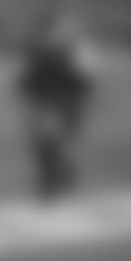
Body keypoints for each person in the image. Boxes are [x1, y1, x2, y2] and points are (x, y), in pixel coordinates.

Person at [16, 24, 96, 200]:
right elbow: (27, 81)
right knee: (46, 144)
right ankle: (52, 180)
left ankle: (57, 179)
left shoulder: (71, 55)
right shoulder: (41, 55)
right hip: (48, 103)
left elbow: (83, 83)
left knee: (56, 144)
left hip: (62, 104)